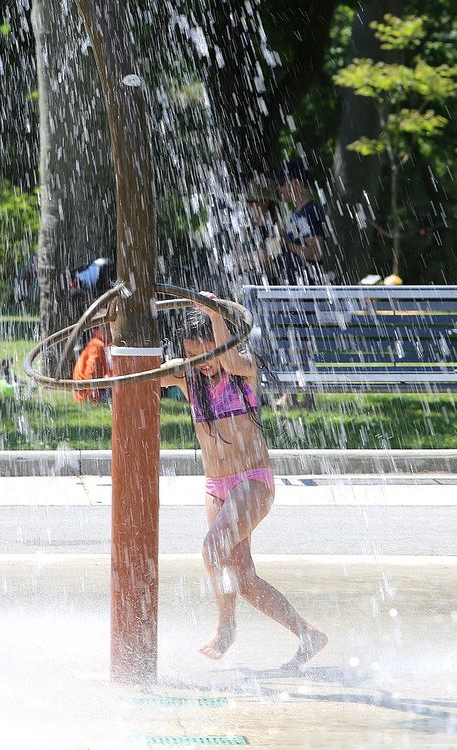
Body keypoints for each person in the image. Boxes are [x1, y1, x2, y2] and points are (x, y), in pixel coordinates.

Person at [161, 295, 327, 670]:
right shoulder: (189, 379)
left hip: (253, 481)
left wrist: (214, 312)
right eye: (194, 356)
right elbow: (146, 374)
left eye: (208, 354)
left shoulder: (243, 369)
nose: (204, 364)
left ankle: (226, 627)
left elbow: (231, 357)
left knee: (210, 550)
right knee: (244, 578)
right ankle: (308, 634)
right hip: (216, 487)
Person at [275, 159, 328, 284]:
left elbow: (316, 253)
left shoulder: (310, 212)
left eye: (282, 183)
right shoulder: (295, 214)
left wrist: (285, 245)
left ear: (296, 183)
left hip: (307, 293)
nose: (278, 188)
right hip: (295, 290)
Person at [72, 327, 110, 405]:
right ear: (95, 331)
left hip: (86, 389)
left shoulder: (100, 344)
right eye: (106, 327)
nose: (109, 330)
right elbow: (90, 373)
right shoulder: (97, 346)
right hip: (86, 393)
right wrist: (93, 398)